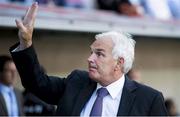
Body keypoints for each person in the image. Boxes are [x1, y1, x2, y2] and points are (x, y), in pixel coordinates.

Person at [10, 3, 167, 116]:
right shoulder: (77, 82)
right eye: (92, 52)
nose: (90, 58)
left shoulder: (149, 99)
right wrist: (26, 43)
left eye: (99, 54)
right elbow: (36, 82)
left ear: (119, 62)